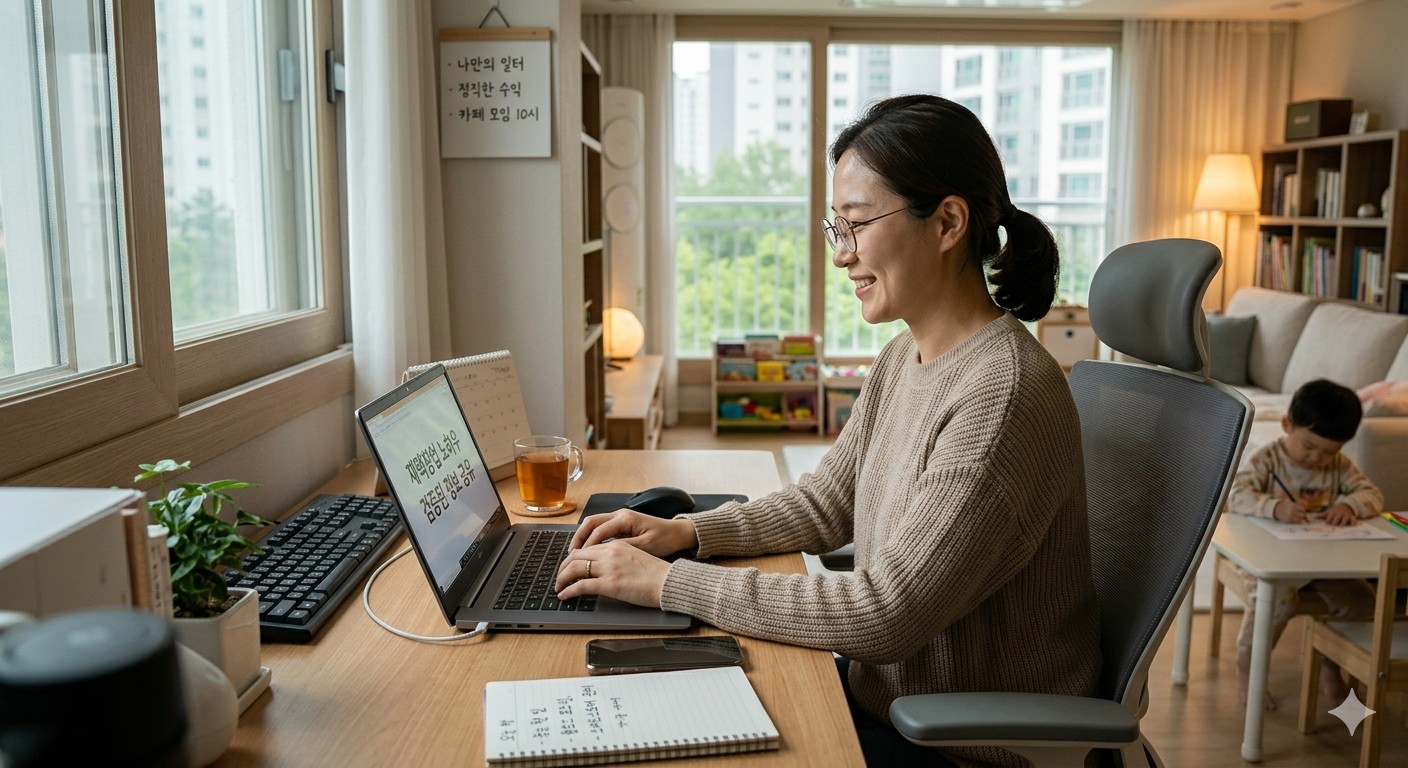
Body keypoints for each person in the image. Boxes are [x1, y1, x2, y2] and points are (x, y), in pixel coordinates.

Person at [554, 94, 1100, 767]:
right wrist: (690, 534)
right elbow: (826, 503)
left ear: (948, 222)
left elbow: (885, 613)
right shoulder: (909, 353)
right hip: (890, 703)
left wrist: (668, 583)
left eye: (858, 224)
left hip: (961, 744)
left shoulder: (1003, 395)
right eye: (834, 227)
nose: (841, 255)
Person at [1226, 377, 1383, 711]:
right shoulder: (1267, 460)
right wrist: (1275, 507)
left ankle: (1330, 663)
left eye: (1328, 451)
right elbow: (1237, 495)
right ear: (1286, 425)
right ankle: (1248, 669)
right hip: (1269, 559)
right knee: (1277, 602)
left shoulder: (1340, 467)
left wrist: (1349, 505)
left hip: (1323, 561)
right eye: (1309, 446)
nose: (1316, 458)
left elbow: (1372, 494)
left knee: (1362, 601)